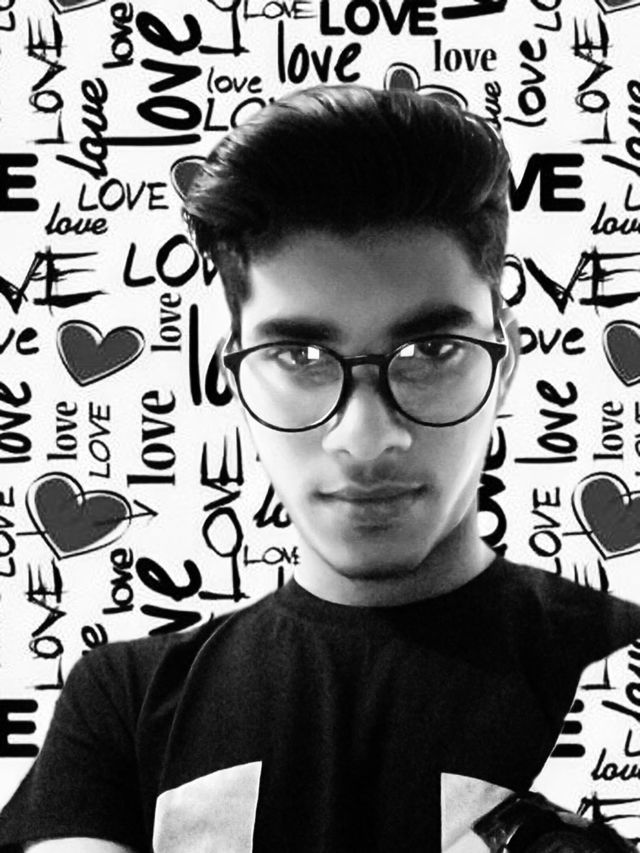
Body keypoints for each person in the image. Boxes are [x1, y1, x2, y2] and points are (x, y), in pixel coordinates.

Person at [1, 84, 639, 853]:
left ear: (503, 363)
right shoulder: (124, 702)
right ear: (237, 375)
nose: (365, 438)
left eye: (431, 350)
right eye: (300, 354)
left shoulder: (621, 669)